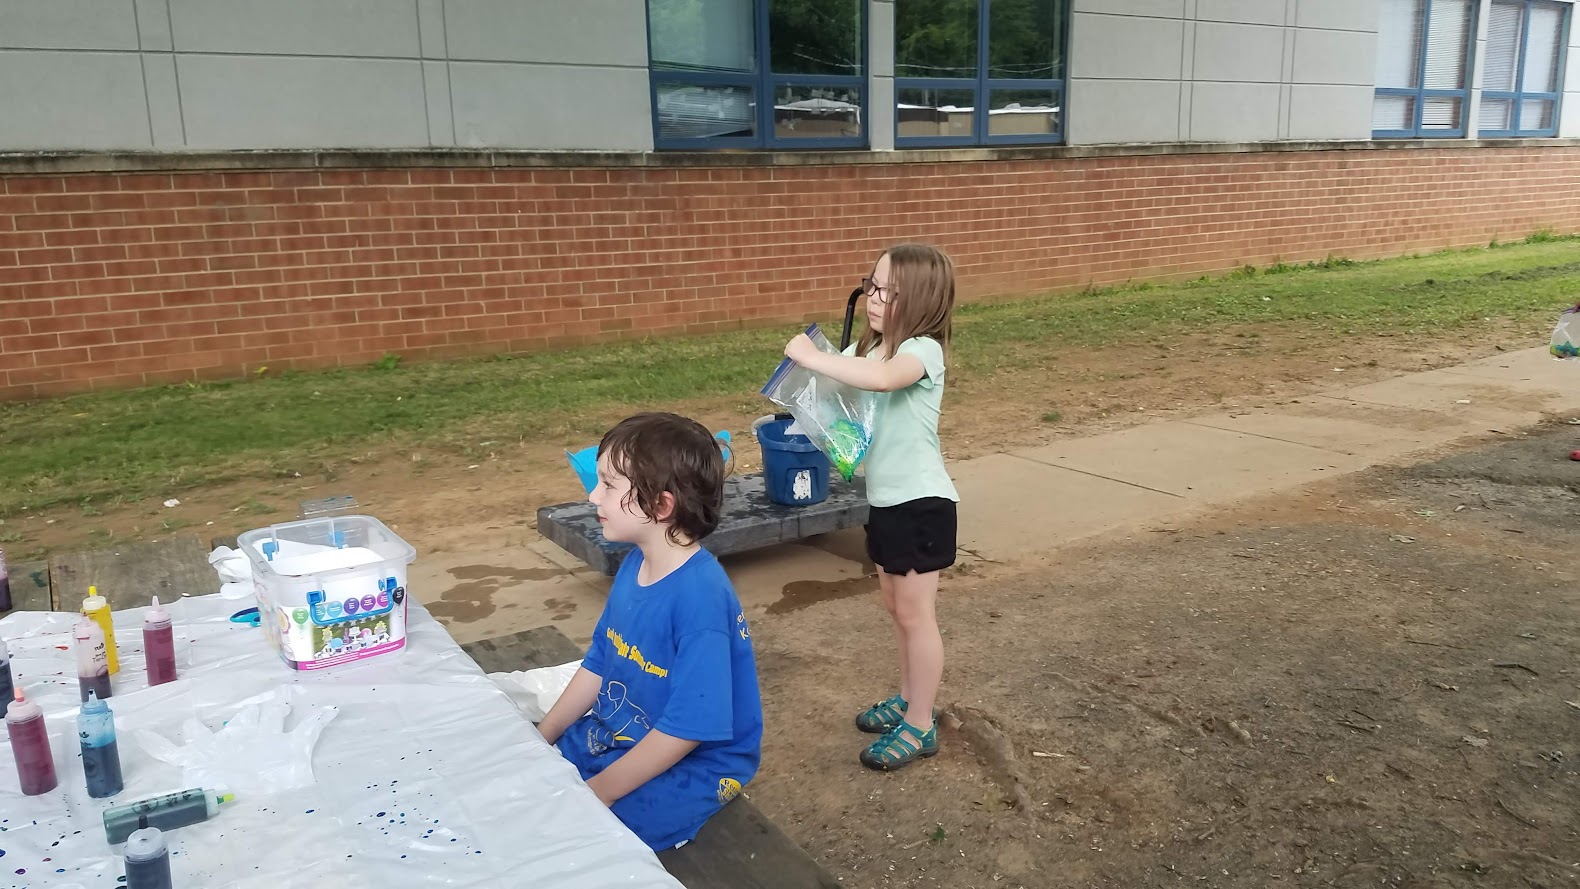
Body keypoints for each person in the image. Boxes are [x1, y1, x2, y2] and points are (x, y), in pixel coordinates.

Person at [537, 412, 763, 850]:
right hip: (619, 733)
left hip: (697, 763)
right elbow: (601, 660)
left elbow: (689, 729)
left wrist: (597, 794)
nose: (591, 496)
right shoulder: (635, 564)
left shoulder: (700, 599)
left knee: (590, 836)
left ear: (660, 506)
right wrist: (540, 737)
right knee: (537, 782)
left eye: (608, 485)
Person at [782, 243, 959, 770]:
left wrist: (813, 358)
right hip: (885, 502)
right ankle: (909, 698)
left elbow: (882, 382)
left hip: (922, 504)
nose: (874, 298)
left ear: (920, 299)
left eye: (886, 290)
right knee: (895, 608)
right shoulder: (870, 352)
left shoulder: (923, 352)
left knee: (916, 614)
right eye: (871, 285)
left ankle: (921, 724)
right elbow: (852, 399)